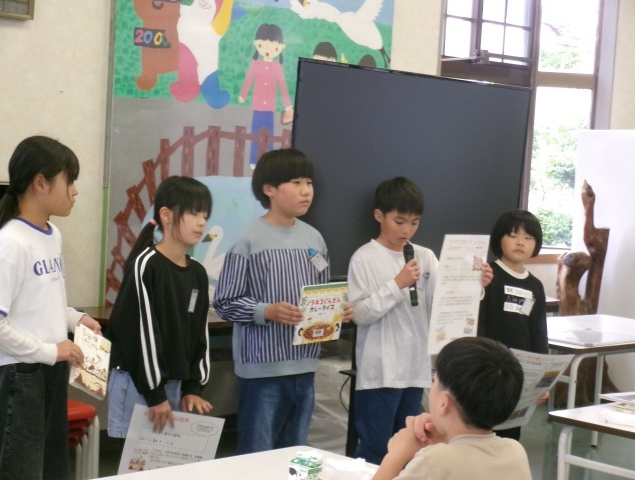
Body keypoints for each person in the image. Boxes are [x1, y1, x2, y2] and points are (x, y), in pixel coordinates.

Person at [213, 148, 353, 454]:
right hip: (262, 370)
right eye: (296, 182)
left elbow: (321, 293)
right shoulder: (248, 239)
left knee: (294, 453)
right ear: (269, 189)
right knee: (258, 454)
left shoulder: (314, 239)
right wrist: (267, 311)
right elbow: (225, 303)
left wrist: (336, 309)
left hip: (305, 365)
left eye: (309, 183)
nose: (306, 191)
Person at [347, 176, 493, 465]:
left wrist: (476, 285)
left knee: (412, 449)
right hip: (380, 371)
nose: (407, 230)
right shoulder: (364, 258)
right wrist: (397, 284)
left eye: (414, 222)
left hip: (415, 368)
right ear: (379, 216)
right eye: (399, 221)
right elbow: (360, 314)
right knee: (375, 449)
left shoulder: (424, 256)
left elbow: (444, 302)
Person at [0, 136, 101, 479]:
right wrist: (49, 350)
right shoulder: (10, 243)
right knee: (20, 471)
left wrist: (76, 318)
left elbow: (43, 299)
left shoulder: (52, 233)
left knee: (51, 468)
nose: (75, 191)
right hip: (20, 374)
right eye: (69, 180)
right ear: (40, 183)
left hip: (51, 369)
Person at [106, 175, 213, 439]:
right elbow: (139, 334)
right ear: (166, 215)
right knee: (136, 462)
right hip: (138, 384)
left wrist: (193, 387)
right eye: (193, 213)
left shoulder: (197, 272)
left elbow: (199, 333)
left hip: (172, 385)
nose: (202, 222)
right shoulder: (147, 265)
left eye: (205, 215)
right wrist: (155, 395)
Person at [373, 336, 531, 480]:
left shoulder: (434, 460)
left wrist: (397, 455)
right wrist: (445, 435)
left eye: (434, 380)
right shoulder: (515, 451)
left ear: (444, 403)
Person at [478, 208, 548, 440]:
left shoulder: (535, 285)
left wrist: (541, 380)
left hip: (519, 373)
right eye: (512, 235)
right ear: (499, 239)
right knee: (483, 432)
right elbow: (478, 323)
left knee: (510, 435)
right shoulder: (488, 275)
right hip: (488, 371)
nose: (520, 242)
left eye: (528, 237)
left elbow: (539, 333)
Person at [239, 23, 293, 167]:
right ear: (256, 44)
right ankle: (253, 160)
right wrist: (243, 94)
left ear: (281, 47)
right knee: (255, 134)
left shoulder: (277, 67)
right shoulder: (256, 64)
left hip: (270, 108)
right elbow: (248, 79)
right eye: (263, 45)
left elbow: (283, 86)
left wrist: (288, 105)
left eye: (274, 47)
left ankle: (268, 162)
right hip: (257, 106)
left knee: (269, 135)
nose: (268, 50)